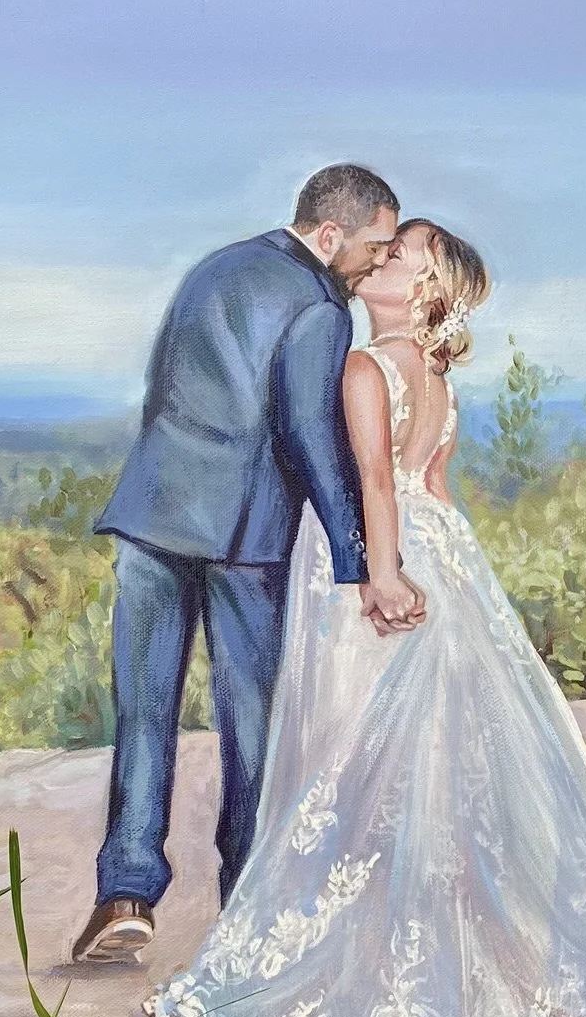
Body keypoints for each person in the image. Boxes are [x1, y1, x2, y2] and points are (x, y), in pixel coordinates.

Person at [147, 220, 586, 1017]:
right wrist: (455, 574)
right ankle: (418, 907)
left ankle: (378, 931)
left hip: (379, 557)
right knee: (429, 748)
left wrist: (382, 573)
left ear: (422, 287)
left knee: (359, 740)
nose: (380, 260)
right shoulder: (438, 377)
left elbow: (377, 478)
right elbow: (437, 485)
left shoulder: (367, 366)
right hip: (440, 549)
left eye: (398, 255)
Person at [70, 165, 425, 967]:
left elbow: (169, 393)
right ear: (330, 235)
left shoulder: (216, 268)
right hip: (245, 537)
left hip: (152, 516)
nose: (378, 263)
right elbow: (308, 436)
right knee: (252, 723)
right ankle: (248, 904)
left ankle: (125, 894)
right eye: (374, 246)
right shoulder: (319, 307)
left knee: (144, 711)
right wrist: (359, 560)